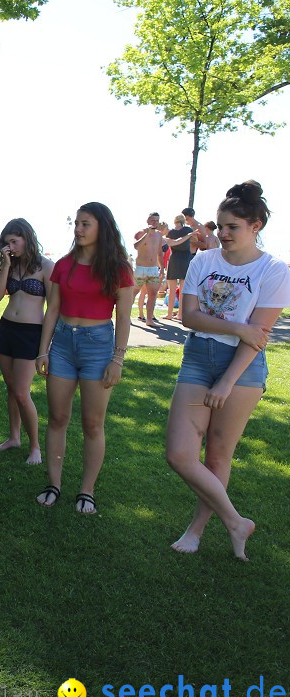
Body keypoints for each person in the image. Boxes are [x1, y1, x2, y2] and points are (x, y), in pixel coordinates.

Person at [166, 181, 290, 561]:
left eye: (233, 227)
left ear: (256, 226)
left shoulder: (274, 270)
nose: (223, 234)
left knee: (218, 456)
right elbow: (189, 317)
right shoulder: (205, 260)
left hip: (243, 369)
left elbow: (260, 337)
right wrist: (238, 327)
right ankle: (237, 521)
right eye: (220, 226)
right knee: (179, 454)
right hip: (199, 357)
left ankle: (197, 530)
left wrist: (227, 381)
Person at [34, 202, 133, 514]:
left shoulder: (119, 268)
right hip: (63, 344)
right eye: (76, 223)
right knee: (58, 418)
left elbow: (125, 318)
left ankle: (86, 490)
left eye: (85, 224)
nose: (78, 229)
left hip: (98, 347)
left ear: (101, 227)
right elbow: (53, 310)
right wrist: (43, 349)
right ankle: (54, 484)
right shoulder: (65, 265)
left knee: (93, 423)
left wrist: (118, 359)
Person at [0, 219, 54, 465]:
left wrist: (44, 347)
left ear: (27, 238)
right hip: (6, 328)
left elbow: (52, 308)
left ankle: (35, 447)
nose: (11, 246)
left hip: (31, 333)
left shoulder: (46, 266)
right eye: (7, 242)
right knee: (10, 387)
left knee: (21, 391)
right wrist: (5, 265)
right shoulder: (10, 264)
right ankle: (14, 437)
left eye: (14, 241)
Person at [132, 212, 164, 326]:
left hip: (153, 269)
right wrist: (147, 234)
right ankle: (126, 317)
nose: (155, 223)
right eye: (153, 220)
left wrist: (162, 268)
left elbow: (160, 253)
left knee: (153, 294)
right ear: (148, 221)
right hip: (141, 268)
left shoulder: (159, 235)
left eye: (157, 220)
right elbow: (136, 246)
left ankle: (149, 319)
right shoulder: (141, 233)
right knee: (133, 293)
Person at [164, 214, 193, 321]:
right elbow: (193, 240)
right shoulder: (188, 230)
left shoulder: (171, 232)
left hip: (174, 258)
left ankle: (169, 314)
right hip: (186, 258)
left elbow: (171, 245)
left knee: (171, 289)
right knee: (182, 289)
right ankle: (180, 314)